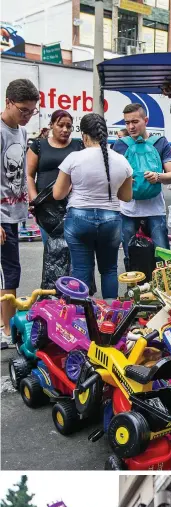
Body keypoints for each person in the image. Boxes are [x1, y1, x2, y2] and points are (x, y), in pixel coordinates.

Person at [53, 113, 133, 299]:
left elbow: (58, 194)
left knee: (81, 269)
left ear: (84, 136)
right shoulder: (122, 161)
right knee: (109, 270)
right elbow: (126, 197)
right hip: (111, 220)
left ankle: (81, 318)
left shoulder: (74, 158)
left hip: (79, 218)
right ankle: (111, 320)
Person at [113, 103, 171, 269]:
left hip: (155, 209)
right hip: (128, 209)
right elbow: (111, 177)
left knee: (163, 256)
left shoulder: (160, 143)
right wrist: (123, 181)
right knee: (129, 255)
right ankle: (134, 290)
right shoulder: (120, 145)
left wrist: (158, 176)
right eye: (127, 123)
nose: (131, 126)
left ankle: (163, 291)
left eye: (135, 121)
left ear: (146, 120)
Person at [1, 77, 40, 349]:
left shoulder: (22, 133)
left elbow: (20, 176)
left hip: (14, 213)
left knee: (9, 272)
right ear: (8, 102)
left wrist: (28, 203)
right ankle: (6, 330)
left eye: (31, 111)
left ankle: (5, 325)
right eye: (23, 110)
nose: (27, 116)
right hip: (2, 216)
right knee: (9, 273)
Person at [27, 110, 83, 243]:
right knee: (51, 248)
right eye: (60, 125)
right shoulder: (39, 145)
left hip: (72, 205)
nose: (65, 129)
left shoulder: (79, 145)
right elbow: (29, 176)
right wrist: (35, 200)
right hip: (45, 207)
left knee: (73, 247)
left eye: (69, 126)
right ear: (51, 125)